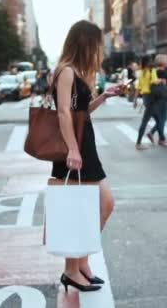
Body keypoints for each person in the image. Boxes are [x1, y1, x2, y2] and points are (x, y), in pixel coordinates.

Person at [52, 20, 122, 292]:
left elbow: (80, 112)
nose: (98, 49)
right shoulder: (66, 71)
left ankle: (80, 263)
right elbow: (62, 113)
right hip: (75, 148)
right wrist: (71, 148)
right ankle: (72, 268)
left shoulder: (77, 72)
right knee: (92, 206)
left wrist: (103, 97)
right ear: (84, 42)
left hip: (84, 144)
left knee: (98, 206)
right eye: (96, 43)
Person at [135, 56, 167, 150]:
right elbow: (154, 81)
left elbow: (139, 87)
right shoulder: (152, 70)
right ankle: (138, 143)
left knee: (158, 120)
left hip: (145, 98)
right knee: (146, 121)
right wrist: (161, 80)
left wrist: (135, 99)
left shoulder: (141, 72)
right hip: (152, 97)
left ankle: (162, 139)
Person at [147, 54, 167, 146]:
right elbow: (164, 87)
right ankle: (160, 138)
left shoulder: (154, 72)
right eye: (166, 60)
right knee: (163, 118)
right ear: (163, 62)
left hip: (154, 97)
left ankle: (156, 135)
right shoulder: (162, 73)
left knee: (161, 119)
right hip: (161, 98)